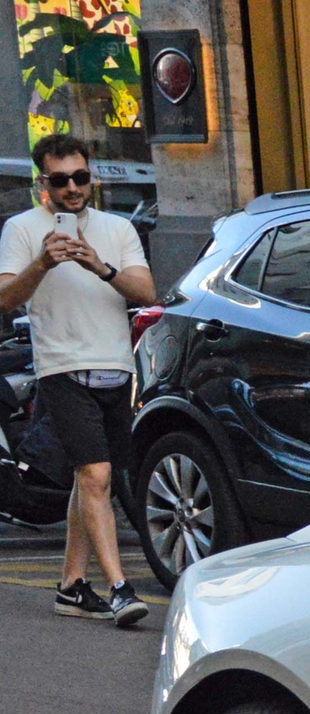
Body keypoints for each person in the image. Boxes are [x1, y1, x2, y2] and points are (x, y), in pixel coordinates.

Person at [0, 134, 157, 626]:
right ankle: (119, 588)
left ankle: (70, 586)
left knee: (95, 481)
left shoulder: (117, 229)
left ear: (92, 177)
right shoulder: (22, 229)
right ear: (42, 182)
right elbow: (6, 300)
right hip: (61, 367)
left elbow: (147, 292)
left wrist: (100, 265)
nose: (72, 188)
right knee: (95, 475)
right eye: (61, 179)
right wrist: (43, 263)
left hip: (116, 366)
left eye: (81, 177)